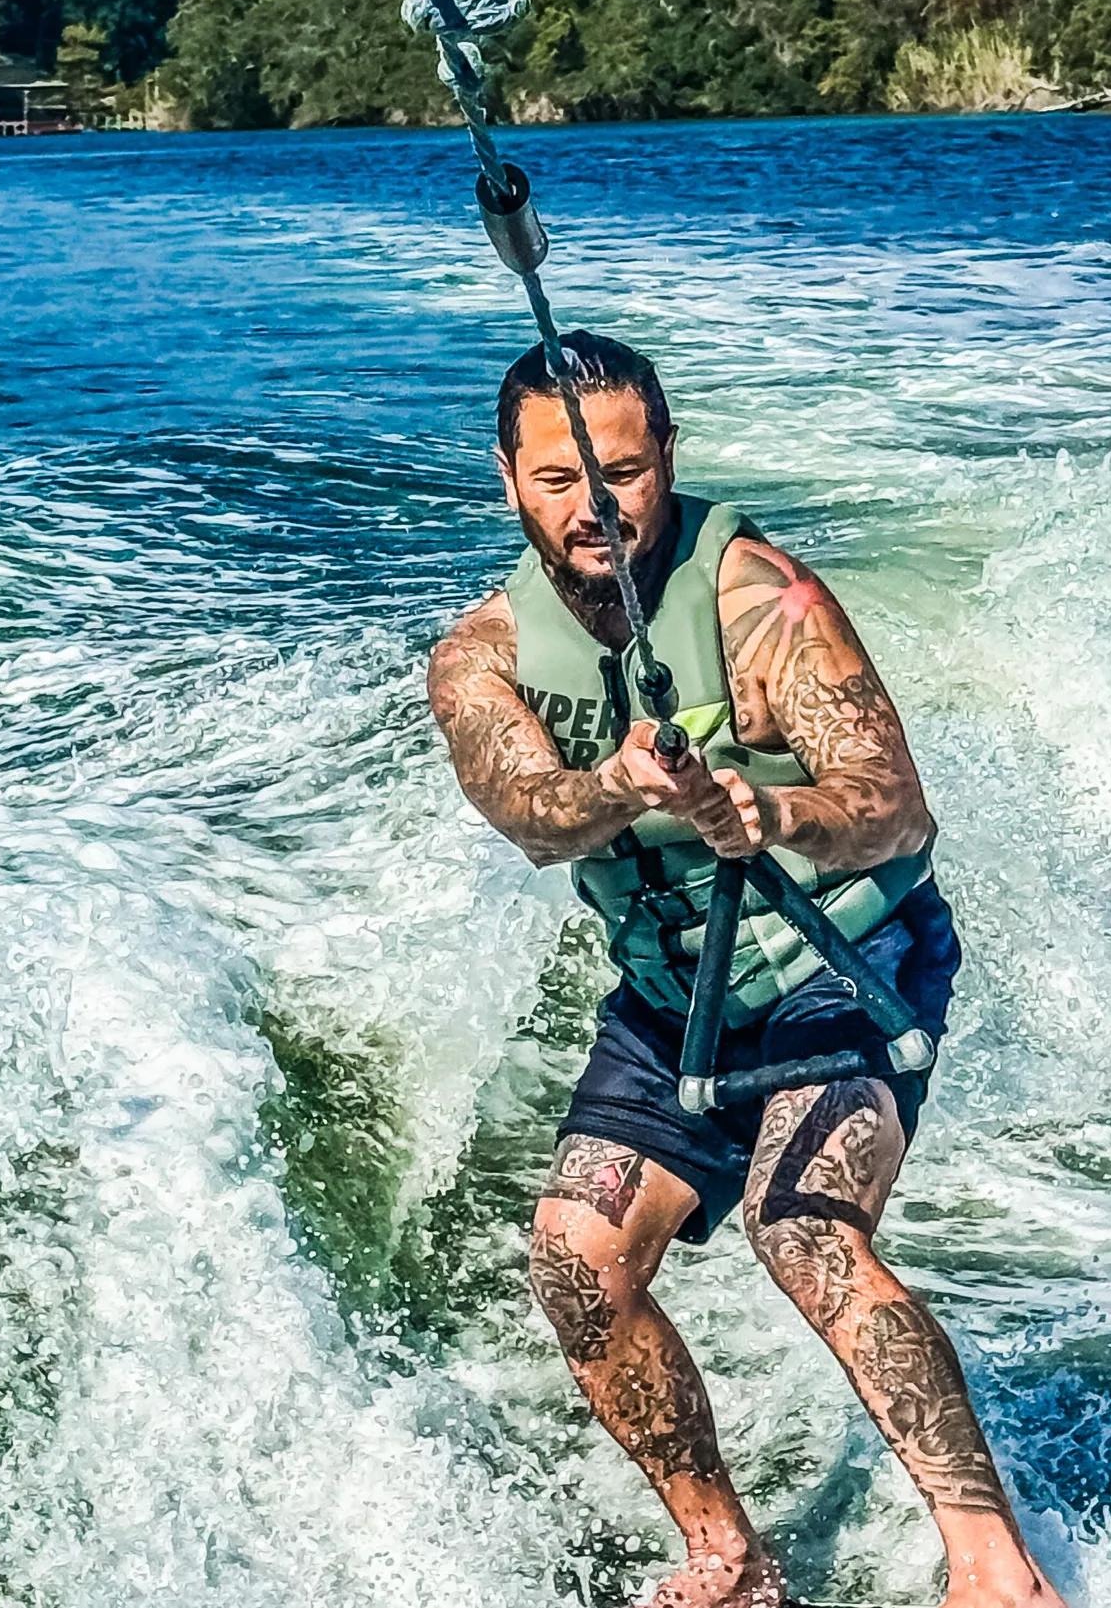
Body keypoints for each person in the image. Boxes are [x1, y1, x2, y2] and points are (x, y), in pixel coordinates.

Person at [427, 332, 1066, 1608]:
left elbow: (893, 806)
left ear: (668, 454)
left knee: (802, 1226)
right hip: (678, 997)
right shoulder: (481, 657)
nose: (595, 508)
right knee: (575, 1259)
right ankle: (727, 1555)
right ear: (507, 479)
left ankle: (998, 1572)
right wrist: (621, 784)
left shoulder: (766, 604)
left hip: (847, 956)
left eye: (622, 472)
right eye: (558, 480)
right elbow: (528, 814)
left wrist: (770, 813)